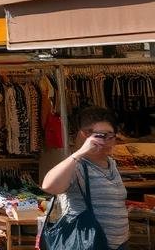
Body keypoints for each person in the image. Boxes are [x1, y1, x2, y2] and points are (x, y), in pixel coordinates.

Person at [41, 107, 128, 250]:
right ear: (84, 135)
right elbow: (49, 186)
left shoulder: (111, 163)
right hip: (88, 243)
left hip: (119, 244)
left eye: (110, 136)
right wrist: (80, 152)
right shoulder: (78, 165)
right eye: (101, 136)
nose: (106, 141)